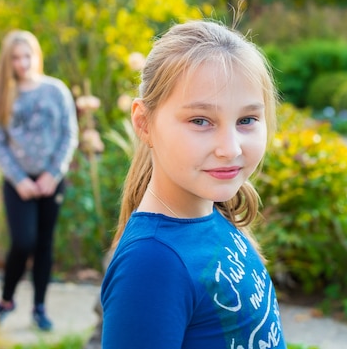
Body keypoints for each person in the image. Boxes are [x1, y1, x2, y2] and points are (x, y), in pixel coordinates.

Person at [101, 20, 287, 348]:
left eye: (247, 120)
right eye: (200, 121)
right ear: (144, 124)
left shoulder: (214, 217)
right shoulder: (152, 264)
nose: (230, 148)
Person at [0, 30, 78, 331]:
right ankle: (6, 300)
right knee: (23, 241)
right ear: (7, 61)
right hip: (18, 183)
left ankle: (39, 307)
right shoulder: (1, 95)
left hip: (51, 181)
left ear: (37, 55)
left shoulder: (56, 90)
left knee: (44, 245)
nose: (23, 63)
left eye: (27, 56)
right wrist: (20, 179)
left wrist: (54, 172)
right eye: (16, 57)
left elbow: (69, 133)